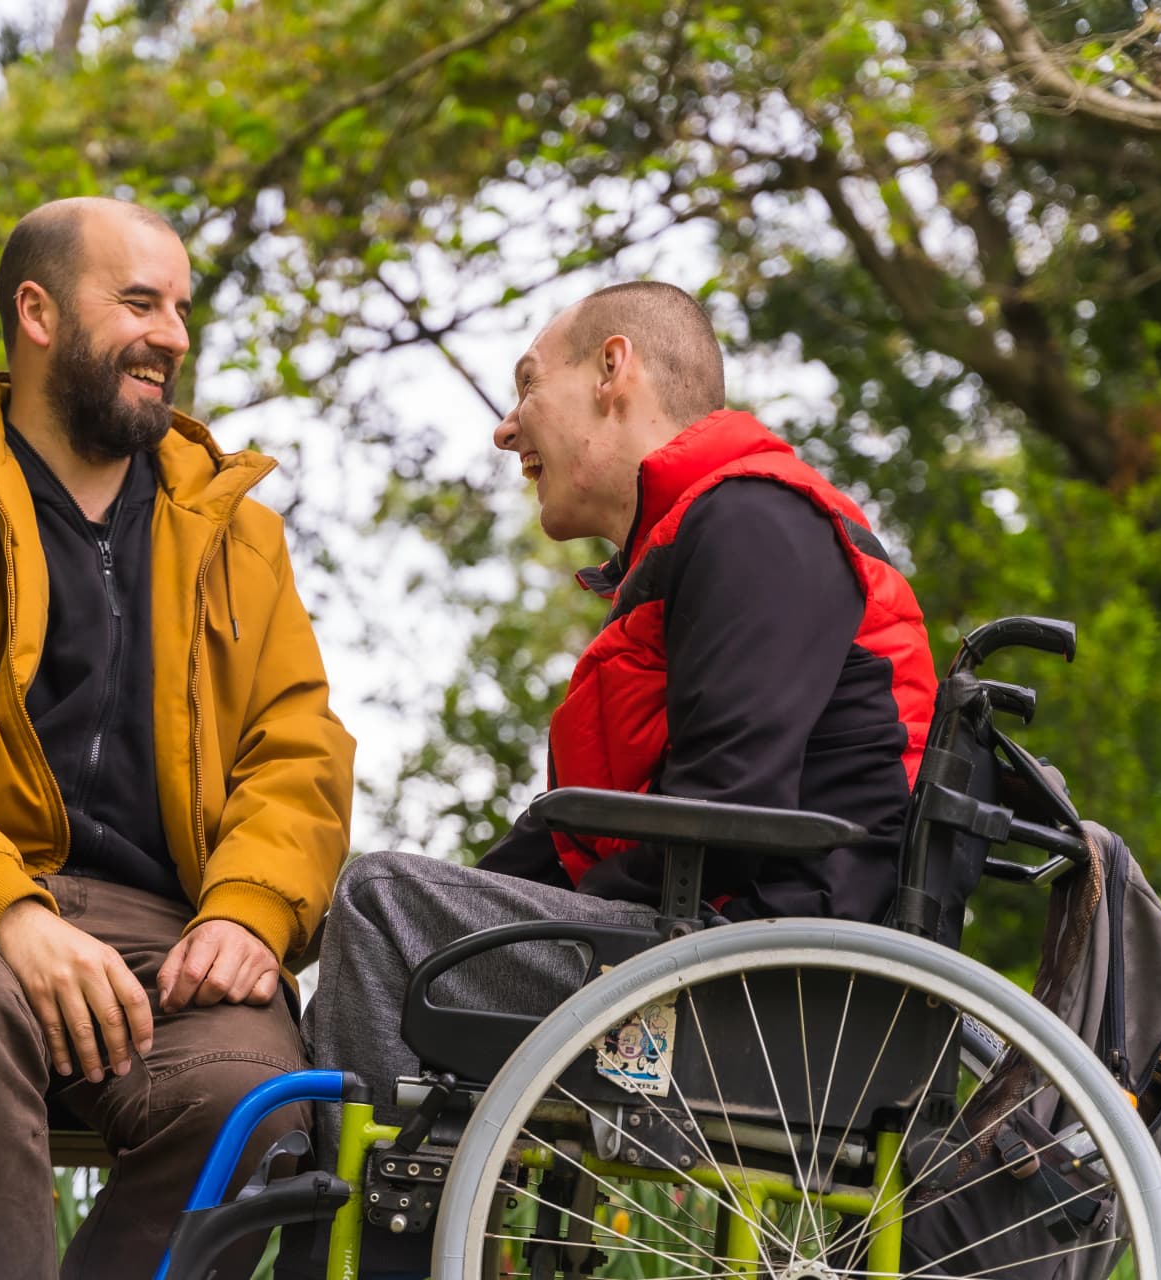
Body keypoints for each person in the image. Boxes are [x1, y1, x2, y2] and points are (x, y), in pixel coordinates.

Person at [281, 281, 936, 1278]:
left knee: (379, 902)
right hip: (727, 959)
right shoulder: (703, 539)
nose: (506, 431)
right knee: (403, 910)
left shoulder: (757, 521)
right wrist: (495, 908)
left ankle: (365, 1253)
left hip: (770, 991)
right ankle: (419, 1230)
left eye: (527, 386)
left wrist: (504, 920)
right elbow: (575, 837)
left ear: (613, 368)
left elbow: (733, 805)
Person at [0, 196, 356, 1280]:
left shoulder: (236, 529)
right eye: (139, 302)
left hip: (158, 936)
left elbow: (297, 746)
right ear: (36, 312)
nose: (172, 334)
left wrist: (250, 908)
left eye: (180, 307)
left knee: (256, 1104)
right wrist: (12, 910)